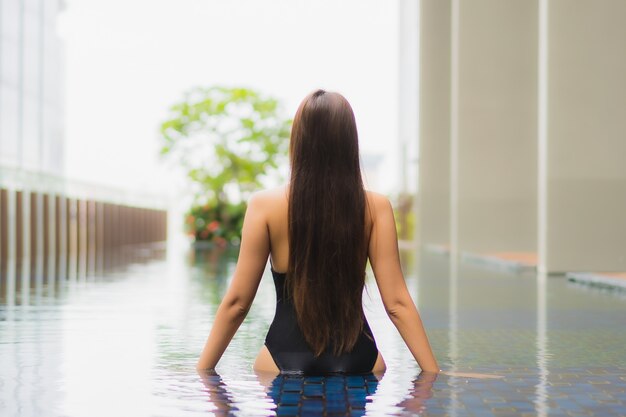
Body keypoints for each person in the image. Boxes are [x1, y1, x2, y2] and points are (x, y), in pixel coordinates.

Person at [196, 89, 440, 375]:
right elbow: (397, 304)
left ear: (298, 140)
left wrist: (202, 372)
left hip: (281, 358)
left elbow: (237, 304)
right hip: (361, 358)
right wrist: (434, 375)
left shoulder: (263, 206)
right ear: (350, 142)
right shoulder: (377, 207)